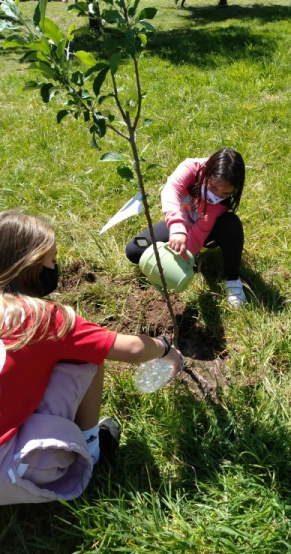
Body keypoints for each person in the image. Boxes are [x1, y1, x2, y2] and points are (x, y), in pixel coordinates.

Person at [0, 210, 183, 505]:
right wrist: (164, 347)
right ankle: (90, 448)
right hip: (6, 470)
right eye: (52, 261)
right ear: (32, 267)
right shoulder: (44, 319)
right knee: (87, 357)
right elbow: (133, 349)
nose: (56, 268)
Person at [125, 148, 247, 308]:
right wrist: (177, 227)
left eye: (225, 193)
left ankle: (232, 278)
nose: (217, 195)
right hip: (178, 225)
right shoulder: (191, 167)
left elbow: (198, 234)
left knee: (232, 224)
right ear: (206, 171)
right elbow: (171, 191)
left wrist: (181, 260)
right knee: (135, 247)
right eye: (213, 187)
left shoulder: (219, 205)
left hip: (208, 231)